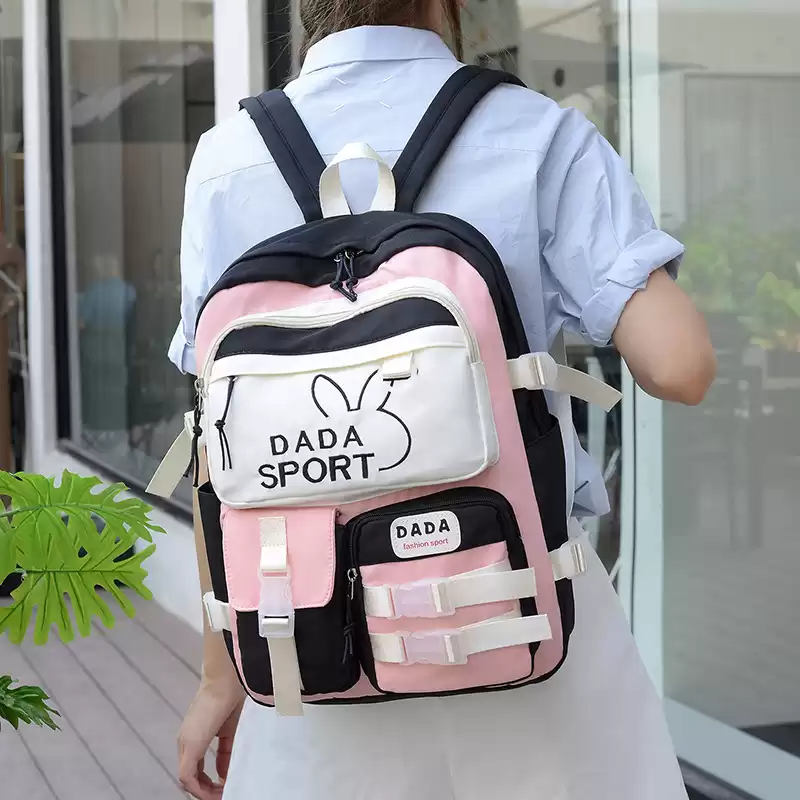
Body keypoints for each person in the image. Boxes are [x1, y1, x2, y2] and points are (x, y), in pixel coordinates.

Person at [169, 2, 716, 798]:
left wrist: (221, 674)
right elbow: (680, 366)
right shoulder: (537, 133)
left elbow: (213, 450)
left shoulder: (226, 161)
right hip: (521, 607)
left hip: (309, 631)